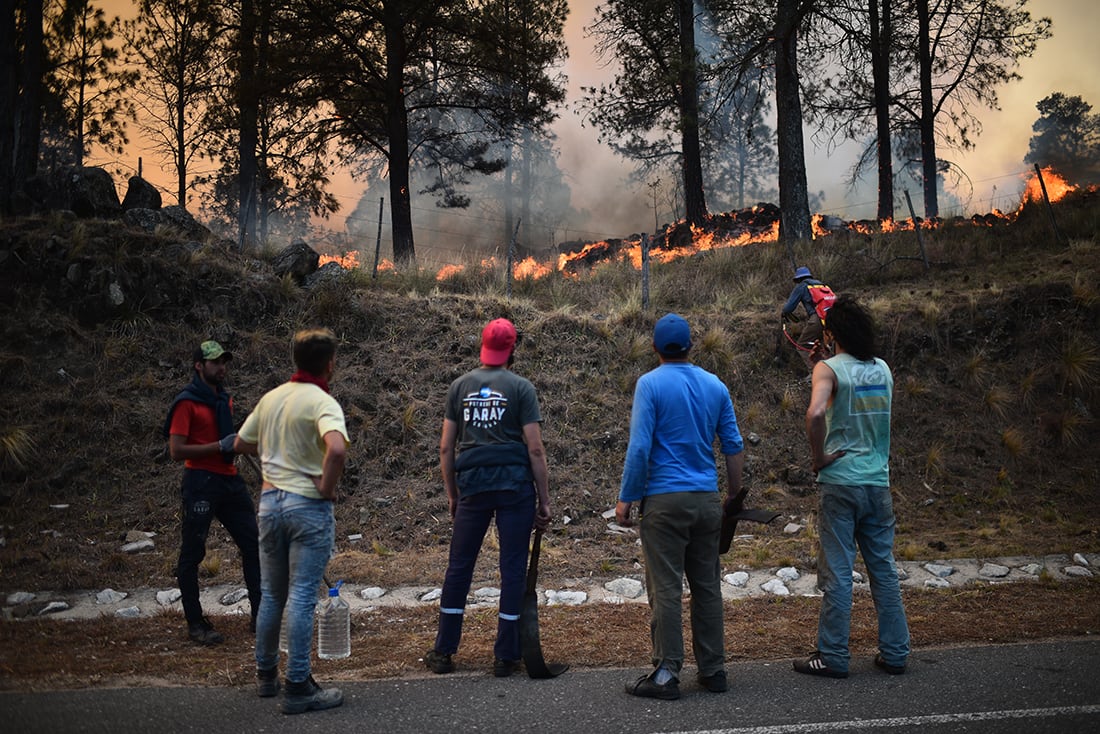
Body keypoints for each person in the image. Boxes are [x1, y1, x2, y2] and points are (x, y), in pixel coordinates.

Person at [616, 313, 745, 700]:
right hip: (706, 501)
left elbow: (640, 446)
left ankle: (667, 673)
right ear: (690, 346)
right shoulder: (714, 385)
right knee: (707, 587)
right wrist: (733, 496)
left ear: (655, 348)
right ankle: (714, 670)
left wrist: (626, 499)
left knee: (667, 588)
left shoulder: (650, 384)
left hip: (664, 502)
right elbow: (733, 445)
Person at [424, 318, 552, 678]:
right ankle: (505, 656)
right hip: (514, 488)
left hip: (473, 487)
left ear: (483, 346)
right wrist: (544, 498)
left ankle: (444, 652)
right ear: (512, 350)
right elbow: (536, 449)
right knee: (512, 568)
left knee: (459, 567)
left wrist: (453, 493)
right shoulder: (522, 388)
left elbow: (446, 447)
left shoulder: (459, 387)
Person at [793, 295, 910, 679]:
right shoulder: (883, 369)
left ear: (831, 333)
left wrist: (819, 459)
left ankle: (832, 655)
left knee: (840, 573)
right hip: (877, 482)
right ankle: (895, 653)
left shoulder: (828, 368)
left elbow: (815, 413)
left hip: (841, 482)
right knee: (883, 569)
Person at [234, 329, 349, 714]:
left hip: (269, 503)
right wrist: (325, 487)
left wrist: (272, 450)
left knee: (272, 594)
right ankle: (298, 684)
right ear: (329, 364)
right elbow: (335, 449)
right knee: (301, 596)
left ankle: (266, 674)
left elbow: (239, 442)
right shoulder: (322, 402)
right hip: (307, 507)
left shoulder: (272, 398)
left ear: (296, 360)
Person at [163, 340, 261, 646]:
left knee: (254, 546)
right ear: (199, 366)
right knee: (193, 553)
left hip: (230, 481)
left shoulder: (223, 400)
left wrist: (240, 444)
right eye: (215, 362)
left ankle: (262, 617)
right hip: (201, 481)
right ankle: (196, 622)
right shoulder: (186, 402)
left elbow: (229, 440)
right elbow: (176, 450)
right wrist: (219, 446)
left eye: (224, 362)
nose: (222, 367)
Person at [781, 266, 834, 365]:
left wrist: (784, 313)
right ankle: (830, 373)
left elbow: (788, 308)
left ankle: (813, 373)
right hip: (833, 319)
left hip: (817, 319)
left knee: (803, 345)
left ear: (798, 279)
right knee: (826, 347)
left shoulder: (801, 286)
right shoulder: (822, 285)